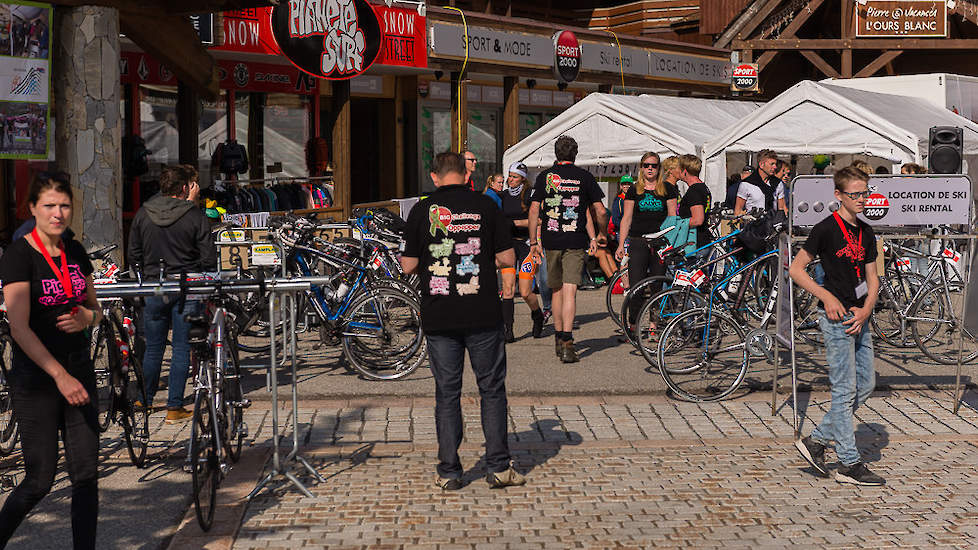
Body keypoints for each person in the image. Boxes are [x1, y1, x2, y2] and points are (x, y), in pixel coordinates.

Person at [400, 151, 525, 491]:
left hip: (440, 314)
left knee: (447, 393)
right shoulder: (487, 206)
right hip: (482, 312)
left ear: (435, 176)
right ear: (466, 174)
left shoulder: (421, 210)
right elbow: (506, 257)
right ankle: (499, 467)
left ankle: (449, 472)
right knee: (492, 390)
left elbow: (408, 266)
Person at [0, 171, 103, 549]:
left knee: (86, 475)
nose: (58, 213)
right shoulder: (19, 254)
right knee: (40, 480)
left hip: (79, 370)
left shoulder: (74, 251)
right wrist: (60, 377)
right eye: (49, 206)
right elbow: (19, 328)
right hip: (39, 379)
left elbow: (97, 309)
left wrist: (85, 318)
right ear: (32, 209)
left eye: (64, 206)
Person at [790, 166, 884, 486]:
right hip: (834, 318)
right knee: (844, 391)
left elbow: (872, 278)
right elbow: (797, 269)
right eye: (854, 194)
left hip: (860, 316)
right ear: (838, 195)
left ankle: (816, 441)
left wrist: (866, 310)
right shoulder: (825, 229)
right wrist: (826, 297)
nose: (861, 199)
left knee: (866, 385)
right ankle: (848, 463)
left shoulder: (867, 232)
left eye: (865, 193)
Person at [128, 166, 216, 423]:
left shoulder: (143, 213)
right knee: (181, 347)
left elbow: (134, 255)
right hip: (187, 286)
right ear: (185, 188)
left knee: (153, 348)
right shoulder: (194, 216)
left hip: (154, 287)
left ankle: (144, 401)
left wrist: (142, 280)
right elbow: (208, 257)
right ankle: (174, 407)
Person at [528, 135, 608, 363]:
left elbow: (534, 211)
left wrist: (533, 242)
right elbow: (598, 211)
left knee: (555, 291)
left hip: (551, 239)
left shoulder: (545, 177)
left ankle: (558, 337)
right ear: (575, 153)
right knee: (570, 291)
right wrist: (600, 234)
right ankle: (568, 342)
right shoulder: (584, 177)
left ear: (556, 154)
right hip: (575, 241)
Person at [614, 151, 677, 333]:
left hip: (660, 243)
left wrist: (671, 243)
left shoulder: (667, 188)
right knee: (636, 287)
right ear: (641, 168)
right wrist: (620, 244)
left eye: (654, 165)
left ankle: (653, 326)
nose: (650, 168)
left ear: (659, 168)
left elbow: (673, 217)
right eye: (646, 165)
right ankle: (633, 325)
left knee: (657, 286)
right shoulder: (634, 189)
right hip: (638, 241)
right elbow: (626, 218)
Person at [498, 162, 546, 341]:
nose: (511, 179)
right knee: (508, 289)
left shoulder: (530, 195)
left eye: (515, 176)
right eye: (509, 175)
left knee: (525, 292)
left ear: (523, 179)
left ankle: (537, 315)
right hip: (508, 247)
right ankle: (508, 330)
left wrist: (516, 223)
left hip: (527, 245)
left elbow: (539, 220)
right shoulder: (502, 196)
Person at [677, 155, 712, 261]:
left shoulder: (694, 191)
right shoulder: (703, 187)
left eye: (679, 168)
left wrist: (676, 225)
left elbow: (698, 219)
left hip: (695, 243)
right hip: (701, 241)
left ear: (685, 171)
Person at [734, 149, 779, 216]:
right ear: (761, 165)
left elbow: (782, 208)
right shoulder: (746, 184)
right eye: (772, 164)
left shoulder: (778, 184)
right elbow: (738, 211)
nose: (775, 167)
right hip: (753, 224)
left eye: (775, 164)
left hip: (772, 223)